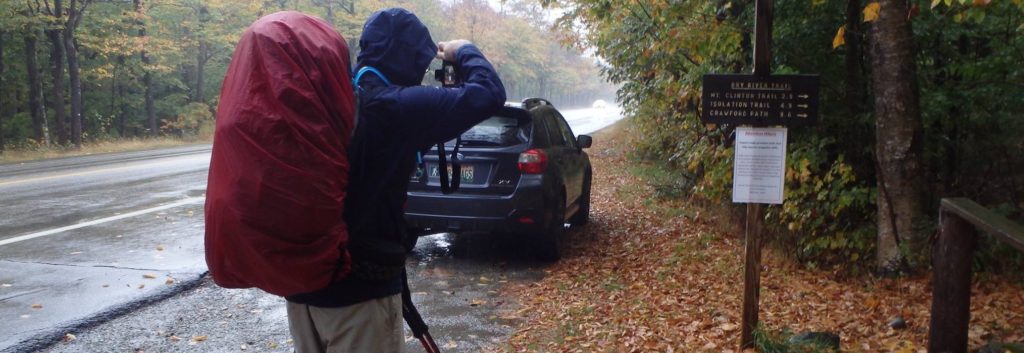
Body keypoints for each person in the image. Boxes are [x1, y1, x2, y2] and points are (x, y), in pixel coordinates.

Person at [283, 7, 506, 353]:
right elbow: (488, 92)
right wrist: (463, 50)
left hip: (302, 288)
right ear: (411, 60)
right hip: (359, 294)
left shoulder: (335, 97)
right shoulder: (397, 107)